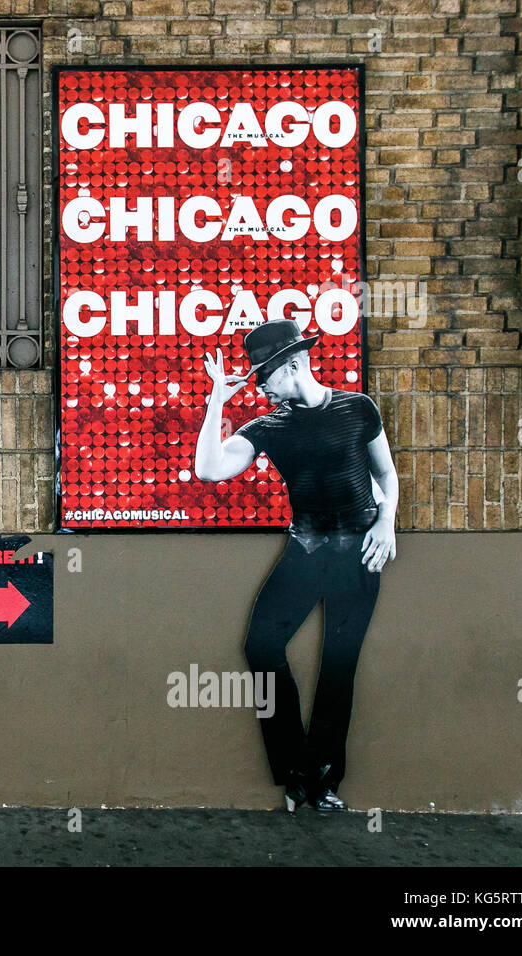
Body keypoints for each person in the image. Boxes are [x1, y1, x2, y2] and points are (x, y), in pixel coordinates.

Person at [193, 319, 398, 812]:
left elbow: (386, 472)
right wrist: (216, 401)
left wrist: (386, 522)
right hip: (305, 552)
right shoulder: (270, 426)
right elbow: (209, 469)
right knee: (261, 645)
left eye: (266, 378)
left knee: (339, 664)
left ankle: (323, 781)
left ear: (295, 363)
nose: (261, 389)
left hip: (360, 553)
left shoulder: (358, 408)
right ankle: (293, 773)